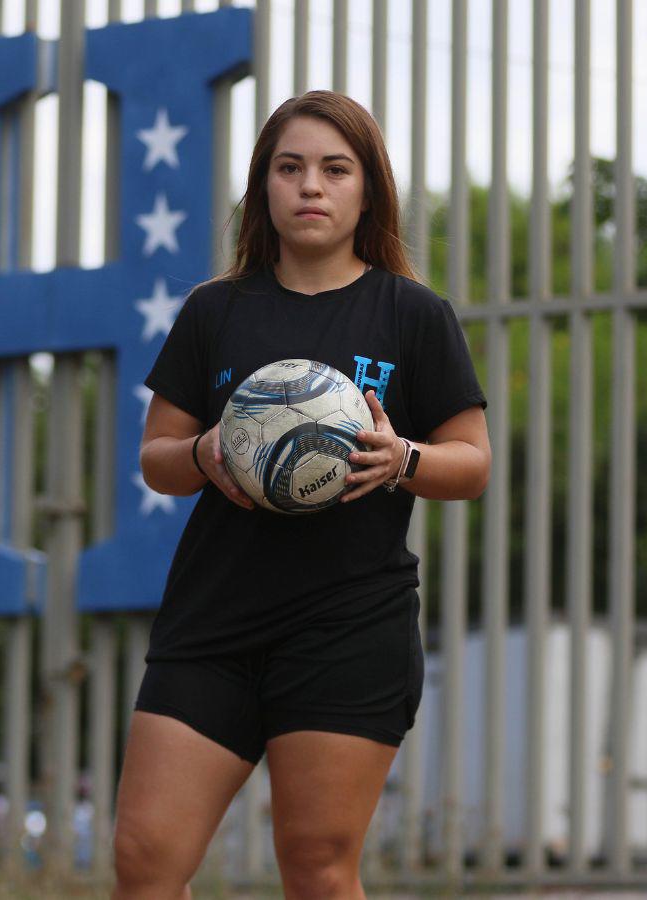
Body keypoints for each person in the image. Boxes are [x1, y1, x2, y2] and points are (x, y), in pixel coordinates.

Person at [113, 90, 491, 900]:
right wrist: (206, 451)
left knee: (317, 868)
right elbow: (157, 459)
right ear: (263, 189)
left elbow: (473, 462)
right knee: (145, 863)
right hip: (214, 622)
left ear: (367, 192)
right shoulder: (215, 310)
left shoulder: (413, 315)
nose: (310, 186)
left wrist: (404, 458)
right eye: (289, 168)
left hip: (348, 627)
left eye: (333, 169)